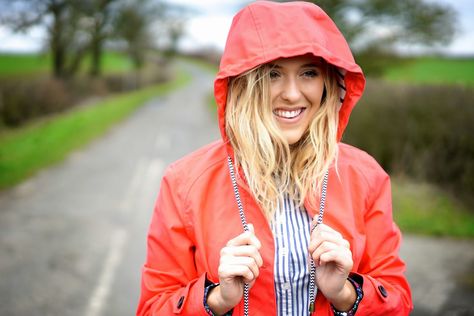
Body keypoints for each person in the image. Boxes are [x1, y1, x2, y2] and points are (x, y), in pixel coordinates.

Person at [136, 1, 413, 315]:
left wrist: (345, 293)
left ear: (328, 82)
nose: (292, 94)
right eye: (273, 74)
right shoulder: (185, 182)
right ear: (241, 83)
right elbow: (152, 307)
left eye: (308, 73)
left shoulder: (365, 176)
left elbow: (398, 301)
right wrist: (217, 299)